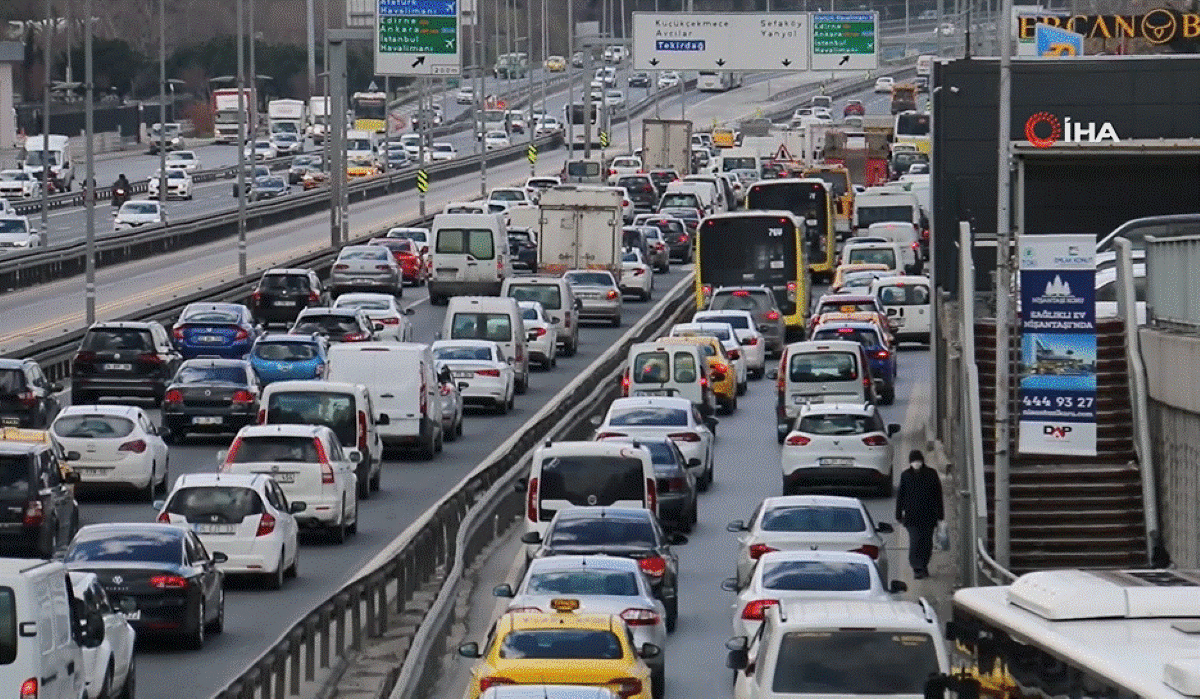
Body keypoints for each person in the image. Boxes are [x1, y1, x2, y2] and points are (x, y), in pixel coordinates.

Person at [895, 449, 944, 579]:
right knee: (916, 542)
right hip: (912, 518)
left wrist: (940, 516)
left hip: (929, 517)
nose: (916, 463)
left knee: (927, 543)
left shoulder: (931, 474)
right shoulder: (906, 475)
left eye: (918, 461)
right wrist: (898, 514)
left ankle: (923, 565)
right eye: (914, 461)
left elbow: (938, 496)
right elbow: (900, 496)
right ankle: (917, 568)